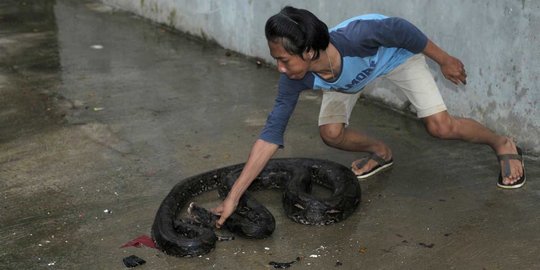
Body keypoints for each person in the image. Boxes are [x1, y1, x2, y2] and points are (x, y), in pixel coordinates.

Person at [212, 6, 525, 227]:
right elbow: (270, 135)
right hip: (347, 79)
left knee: (440, 127)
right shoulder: (296, 77)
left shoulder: (359, 37)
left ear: (308, 52)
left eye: (283, 60)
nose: (279, 67)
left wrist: (444, 60)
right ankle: (381, 152)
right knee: (331, 132)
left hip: (393, 58)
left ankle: (501, 143)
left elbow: (402, 30)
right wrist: (234, 198)